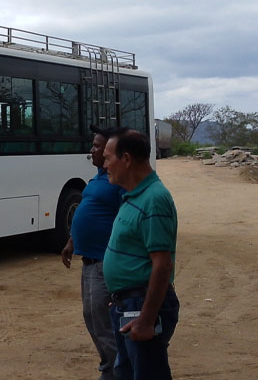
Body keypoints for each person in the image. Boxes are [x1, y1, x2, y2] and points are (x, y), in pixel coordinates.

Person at [102, 129, 179, 379]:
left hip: (142, 306)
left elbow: (162, 266)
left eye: (107, 158)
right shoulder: (134, 194)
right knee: (125, 371)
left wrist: (146, 320)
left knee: (147, 373)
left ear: (126, 159)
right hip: (128, 303)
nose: (105, 166)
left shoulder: (155, 199)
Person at [61, 125, 123, 380]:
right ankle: (110, 367)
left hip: (103, 261)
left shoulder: (118, 181)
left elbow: (125, 218)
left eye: (98, 146)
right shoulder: (98, 177)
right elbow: (89, 211)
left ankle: (120, 370)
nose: (92, 150)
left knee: (103, 321)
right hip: (88, 261)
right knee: (91, 317)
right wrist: (72, 240)